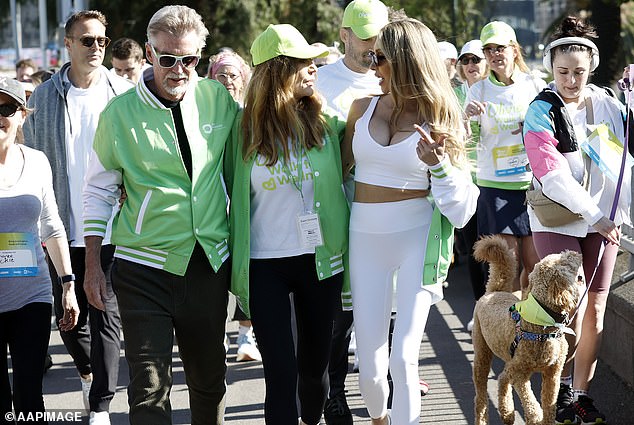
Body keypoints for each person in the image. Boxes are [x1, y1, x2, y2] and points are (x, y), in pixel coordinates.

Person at [82, 6, 238, 425]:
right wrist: (92, 265)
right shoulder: (118, 114)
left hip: (207, 263)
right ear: (149, 53)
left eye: (188, 59)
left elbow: (247, 171)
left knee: (210, 383)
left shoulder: (218, 99)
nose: (178, 69)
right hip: (143, 266)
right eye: (167, 58)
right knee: (149, 392)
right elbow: (97, 191)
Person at [342, 19, 478, 424]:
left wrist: (438, 166)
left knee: (403, 357)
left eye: (379, 57)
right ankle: (381, 418)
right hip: (363, 239)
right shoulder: (359, 108)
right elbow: (337, 176)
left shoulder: (442, 117)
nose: (372, 65)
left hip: (416, 239)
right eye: (371, 56)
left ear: (404, 60)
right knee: (369, 365)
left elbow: (462, 209)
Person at [224, 24, 349, 425]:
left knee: (314, 373)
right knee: (280, 375)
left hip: (320, 261)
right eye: (303, 63)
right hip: (264, 264)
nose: (313, 69)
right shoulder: (239, 130)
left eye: (313, 62)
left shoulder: (327, 122)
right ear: (277, 71)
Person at [23, 10, 132, 425]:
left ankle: (101, 404)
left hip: (111, 225)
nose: (96, 48)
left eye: (102, 41)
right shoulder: (44, 97)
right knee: (68, 319)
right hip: (60, 223)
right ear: (67, 44)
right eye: (87, 40)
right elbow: (30, 155)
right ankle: (87, 372)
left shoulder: (124, 93)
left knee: (106, 312)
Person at [523, 16, 631, 425]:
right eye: (563, 72)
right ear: (552, 67)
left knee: (596, 310)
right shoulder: (541, 110)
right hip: (559, 219)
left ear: (592, 69)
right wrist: (596, 215)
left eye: (580, 72)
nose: (571, 80)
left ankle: (579, 393)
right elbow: (551, 174)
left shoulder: (607, 102)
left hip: (604, 220)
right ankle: (556, 388)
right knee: (569, 306)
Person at [314, 1, 388, 422]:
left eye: (378, 35)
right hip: (335, 216)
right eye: (364, 36)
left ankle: (384, 391)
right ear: (344, 34)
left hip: (386, 214)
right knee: (337, 317)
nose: (372, 45)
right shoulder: (321, 81)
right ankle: (334, 395)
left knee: (385, 311)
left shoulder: (393, 80)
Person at [0, 77, 79, 422]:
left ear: (22, 115)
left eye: (6, 108)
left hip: (32, 294)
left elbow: (52, 225)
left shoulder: (36, 161)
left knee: (29, 392)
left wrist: (68, 284)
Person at [464, 21, 545, 294]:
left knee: (534, 267)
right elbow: (470, 144)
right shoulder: (478, 91)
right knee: (507, 265)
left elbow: (552, 130)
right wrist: (469, 120)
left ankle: (529, 330)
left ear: (513, 49)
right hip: (495, 186)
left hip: (532, 185)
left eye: (500, 48)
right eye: (488, 50)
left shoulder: (534, 84)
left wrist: (532, 127)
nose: (494, 54)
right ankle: (506, 332)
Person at [207, 49, 260, 362]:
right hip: (213, 200)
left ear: (244, 79)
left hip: (245, 199)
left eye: (233, 75)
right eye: (221, 75)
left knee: (247, 268)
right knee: (215, 273)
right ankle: (215, 336)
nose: (227, 81)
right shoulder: (201, 111)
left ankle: (245, 334)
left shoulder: (250, 113)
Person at [453, 39, 488, 332]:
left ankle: (498, 312)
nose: (470, 65)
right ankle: (480, 312)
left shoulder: (497, 92)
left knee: (497, 251)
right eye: (465, 60)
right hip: (467, 183)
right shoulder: (454, 95)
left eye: (476, 59)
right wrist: (463, 117)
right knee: (474, 252)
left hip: (496, 183)